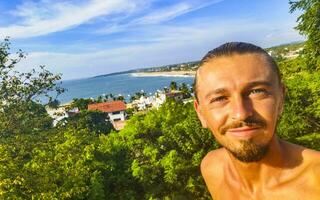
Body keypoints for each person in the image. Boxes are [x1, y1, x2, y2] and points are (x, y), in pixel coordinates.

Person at [193, 42, 320, 200]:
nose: (241, 114)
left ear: (281, 99)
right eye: (219, 98)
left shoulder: (315, 181)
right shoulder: (212, 168)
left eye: (256, 91)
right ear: (200, 113)